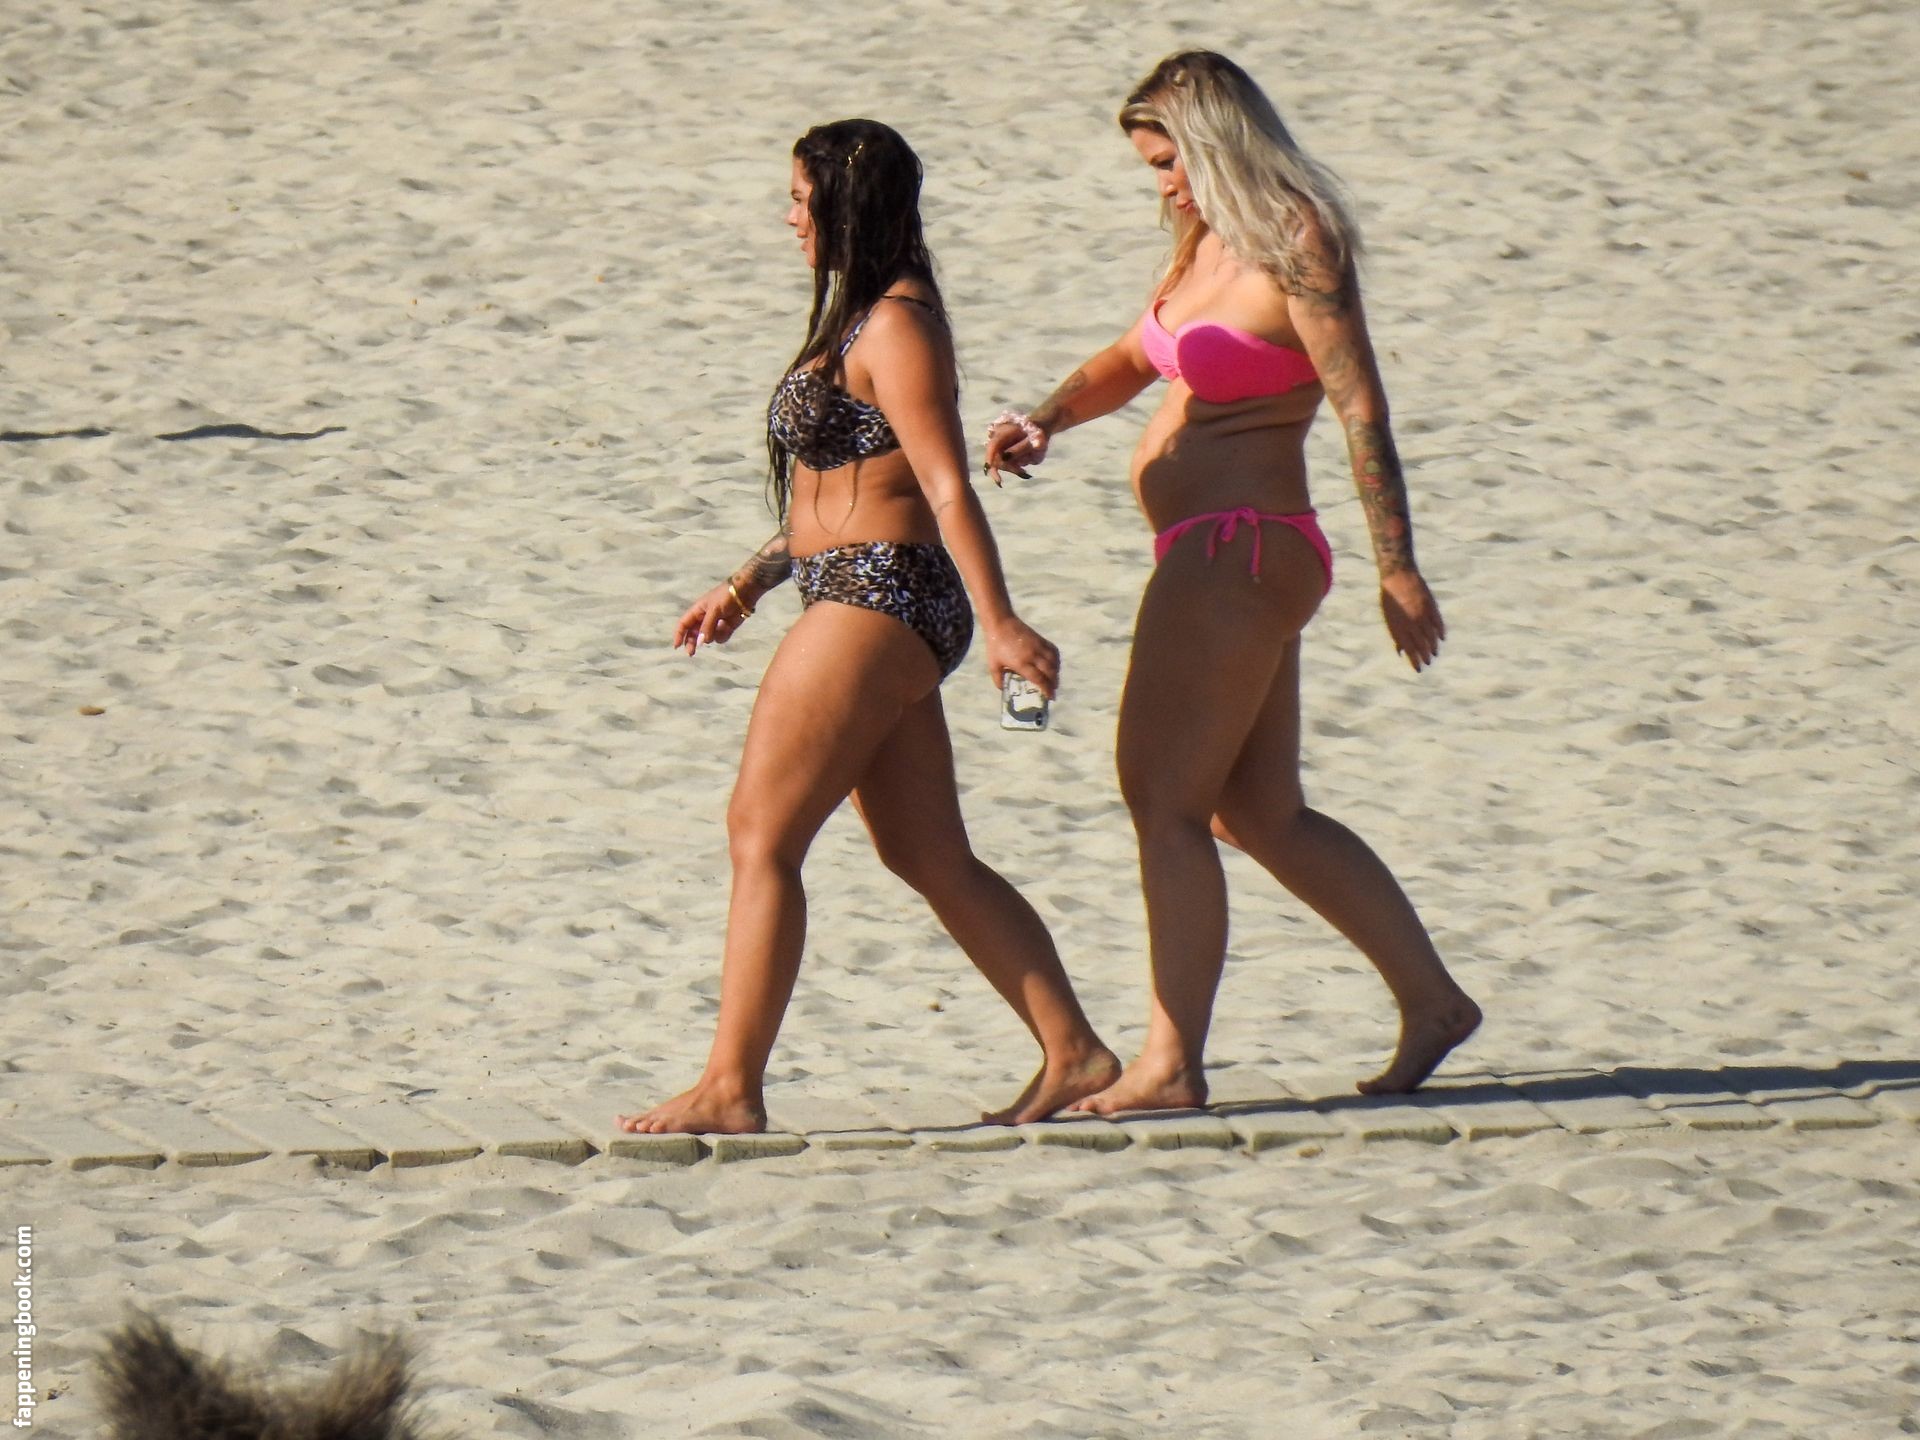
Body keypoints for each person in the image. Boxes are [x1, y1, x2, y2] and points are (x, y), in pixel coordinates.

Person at [985, 52, 1480, 1111]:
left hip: (1239, 547)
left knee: (1161, 800)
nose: (1163, 184)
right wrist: (1046, 418)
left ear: (1216, 142)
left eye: (1168, 161)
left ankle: (1171, 1064)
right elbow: (1134, 356)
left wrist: (1398, 568)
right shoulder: (1205, 243)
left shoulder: (1298, 241)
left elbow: (1360, 404)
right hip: (1218, 550)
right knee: (1256, 812)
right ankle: (1433, 1000)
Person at [621, 119, 1117, 1136]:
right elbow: (842, 485)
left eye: (803, 201)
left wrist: (1004, 622)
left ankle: (731, 1086)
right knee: (928, 854)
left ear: (849, 208)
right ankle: (1073, 1049)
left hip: (880, 592)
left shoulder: (896, 325)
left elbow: (942, 485)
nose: (790, 218)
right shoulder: (864, 317)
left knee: (761, 835)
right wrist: (751, 581)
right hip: (855, 588)